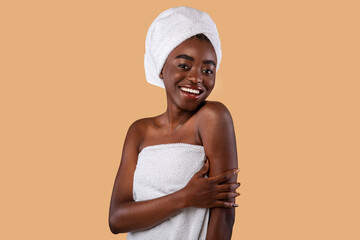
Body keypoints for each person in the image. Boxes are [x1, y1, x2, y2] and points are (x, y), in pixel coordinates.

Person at [109, 6, 240, 240]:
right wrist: (185, 197)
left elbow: (225, 217)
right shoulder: (139, 132)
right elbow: (117, 219)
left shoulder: (213, 118)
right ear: (161, 69)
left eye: (208, 69)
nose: (197, 78)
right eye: (184, 65)